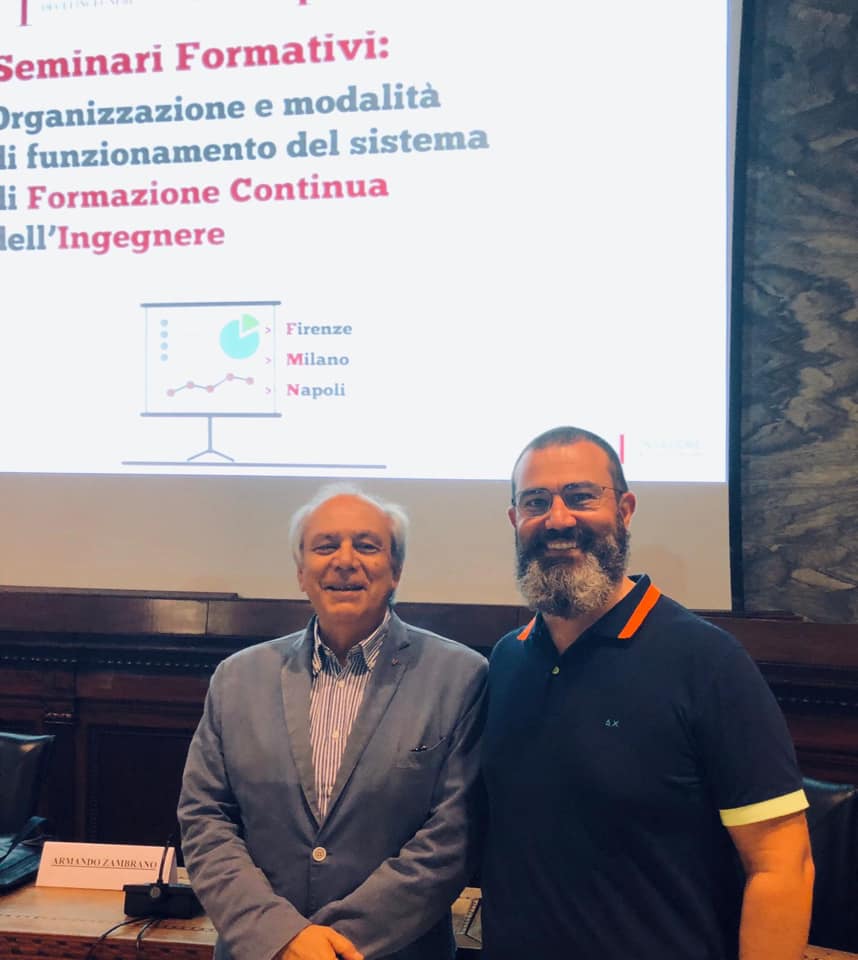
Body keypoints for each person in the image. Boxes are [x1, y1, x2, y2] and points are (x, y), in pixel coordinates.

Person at [480, 426, 815, 960]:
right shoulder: (506, 660)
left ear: (625, 510)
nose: (558, 519)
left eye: (581, 496)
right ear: (514, 520)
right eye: (536, 502)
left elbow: (782, 863)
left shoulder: (707, 662)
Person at [179, 485, 487, 960]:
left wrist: (327, 949)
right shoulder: (237, 679)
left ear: (396, 570)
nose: (345, 561)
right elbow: (206, 820)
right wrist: (280, 937)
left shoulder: (460, 677)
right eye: (325, 546)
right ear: (301, 572)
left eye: (366, 545)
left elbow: (453, 838)